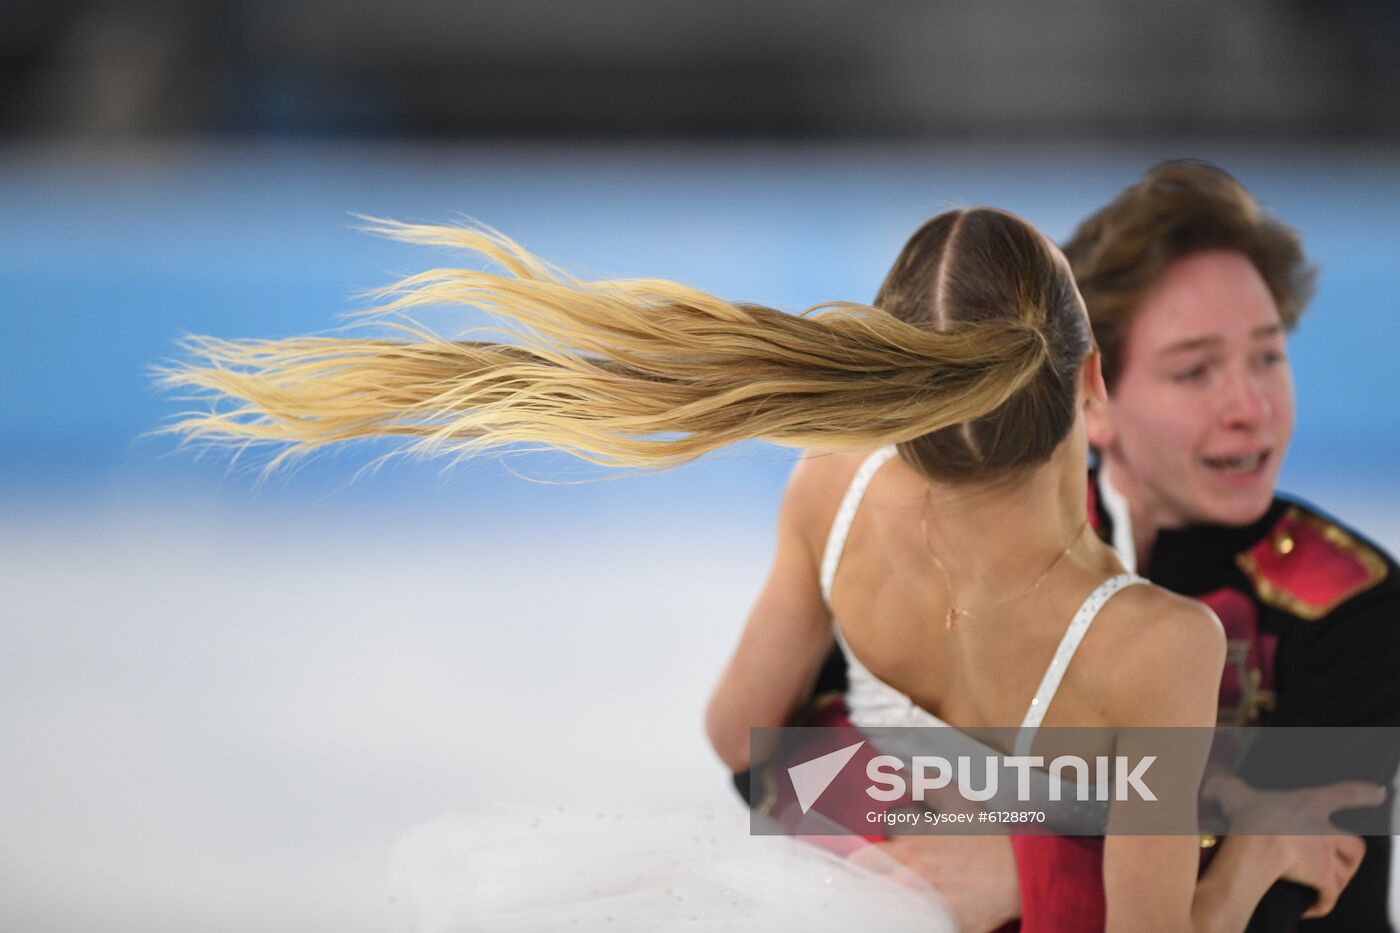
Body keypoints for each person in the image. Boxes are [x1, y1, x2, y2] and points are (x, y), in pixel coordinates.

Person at [167, 208, 1290, 931]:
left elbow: (740, 734)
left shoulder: (832, 491)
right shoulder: (1153, 646)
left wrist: (920, 832)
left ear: (889, 404)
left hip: (850, 899)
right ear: (1093, 385)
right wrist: (1235, 869)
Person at [762, 162, 1398, 931]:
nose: (1251, 407)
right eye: (1195, 369)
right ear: (1094, 394)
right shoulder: (984, 520)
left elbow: (1325, 902)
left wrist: (1020, 864)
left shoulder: (1353, 604)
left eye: (1268, 355)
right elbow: (781, 763)